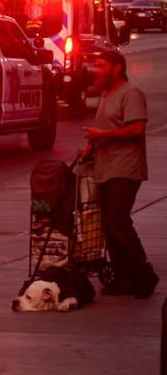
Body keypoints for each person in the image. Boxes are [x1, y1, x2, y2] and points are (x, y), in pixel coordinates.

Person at [84, 49, 159, 298]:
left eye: (102, 65)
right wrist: (90, 147)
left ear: (117, 68)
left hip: (125, 168)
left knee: (118, 220)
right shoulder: (106, 95)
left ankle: (143, 273)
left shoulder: (131, 94)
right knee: (108, 224)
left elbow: (136, 129)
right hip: (106, 168)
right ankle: (123, 277)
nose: (98, 70)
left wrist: (102, 136)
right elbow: (102, 128)